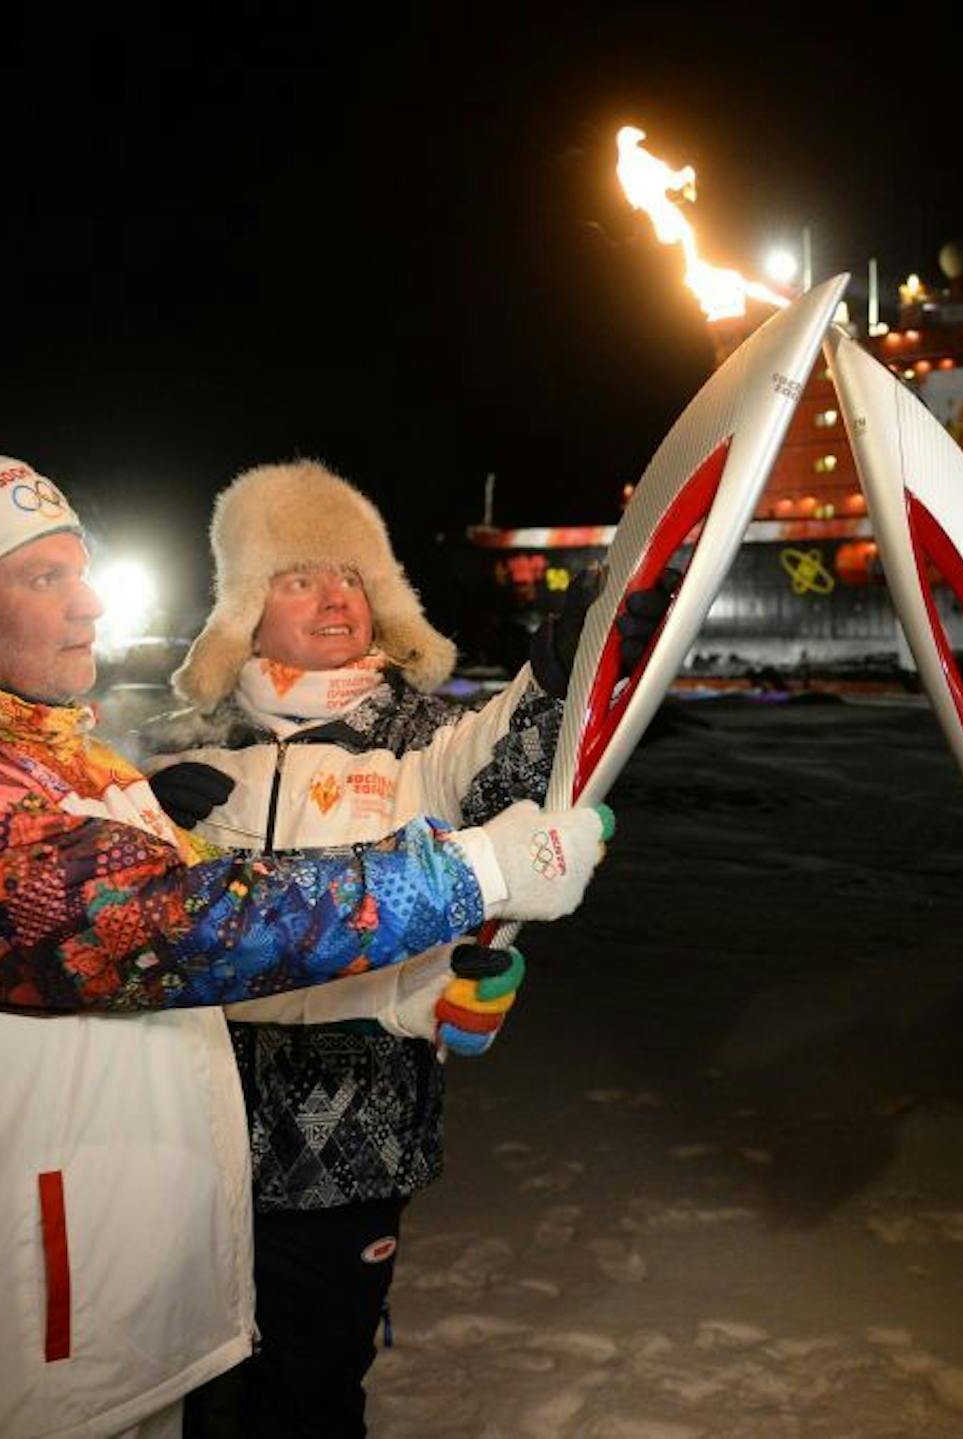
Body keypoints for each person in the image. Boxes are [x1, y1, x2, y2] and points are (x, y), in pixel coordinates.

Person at [0, 419, 612, 1439]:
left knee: (306, 1392)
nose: (93, 600)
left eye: (84, 570)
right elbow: (175, 925)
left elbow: (222, 908)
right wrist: (476, 870)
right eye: (45, 577)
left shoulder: (47, 756)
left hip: (136, 1283)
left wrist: (430, 976)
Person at [134, 460, 672, 1437]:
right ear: (247, 604)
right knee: (181, 1388)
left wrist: (565, 668)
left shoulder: (418, 735)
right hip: (177, 1133)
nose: (335, 596)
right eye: (299, 576)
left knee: (311, 1389)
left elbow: (507, 759)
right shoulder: (174, 745)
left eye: (352, 576)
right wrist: (137, 822)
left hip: (348, 1142)